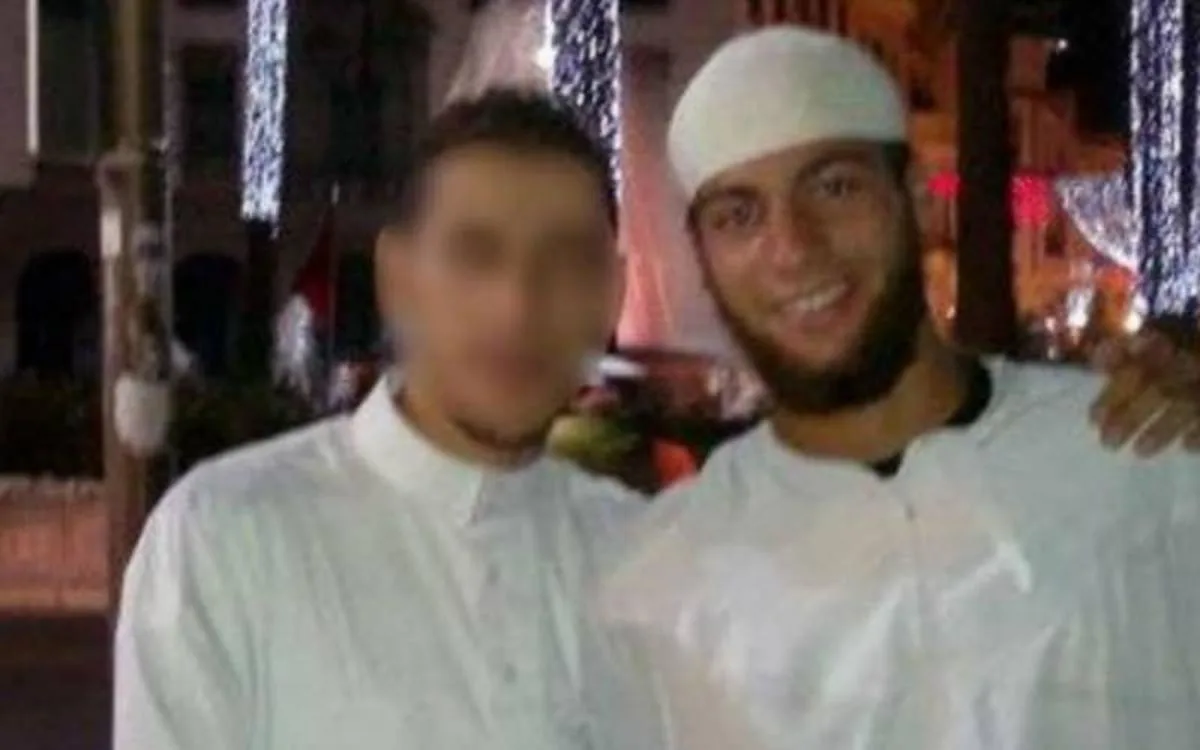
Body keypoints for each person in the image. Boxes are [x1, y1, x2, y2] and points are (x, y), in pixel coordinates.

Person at [602, 27, 1200, 750]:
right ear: (703, 259)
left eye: (834, 187)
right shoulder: (664, 585)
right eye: (739, 215)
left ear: (915, 198)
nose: (792, 248)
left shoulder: (1137, 457)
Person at [114, 90, 661, 750]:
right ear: (398, 281)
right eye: (475, 256)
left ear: (611, 296)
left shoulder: (643, 556)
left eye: (565, 263)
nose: (517, 305)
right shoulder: (227, 539)